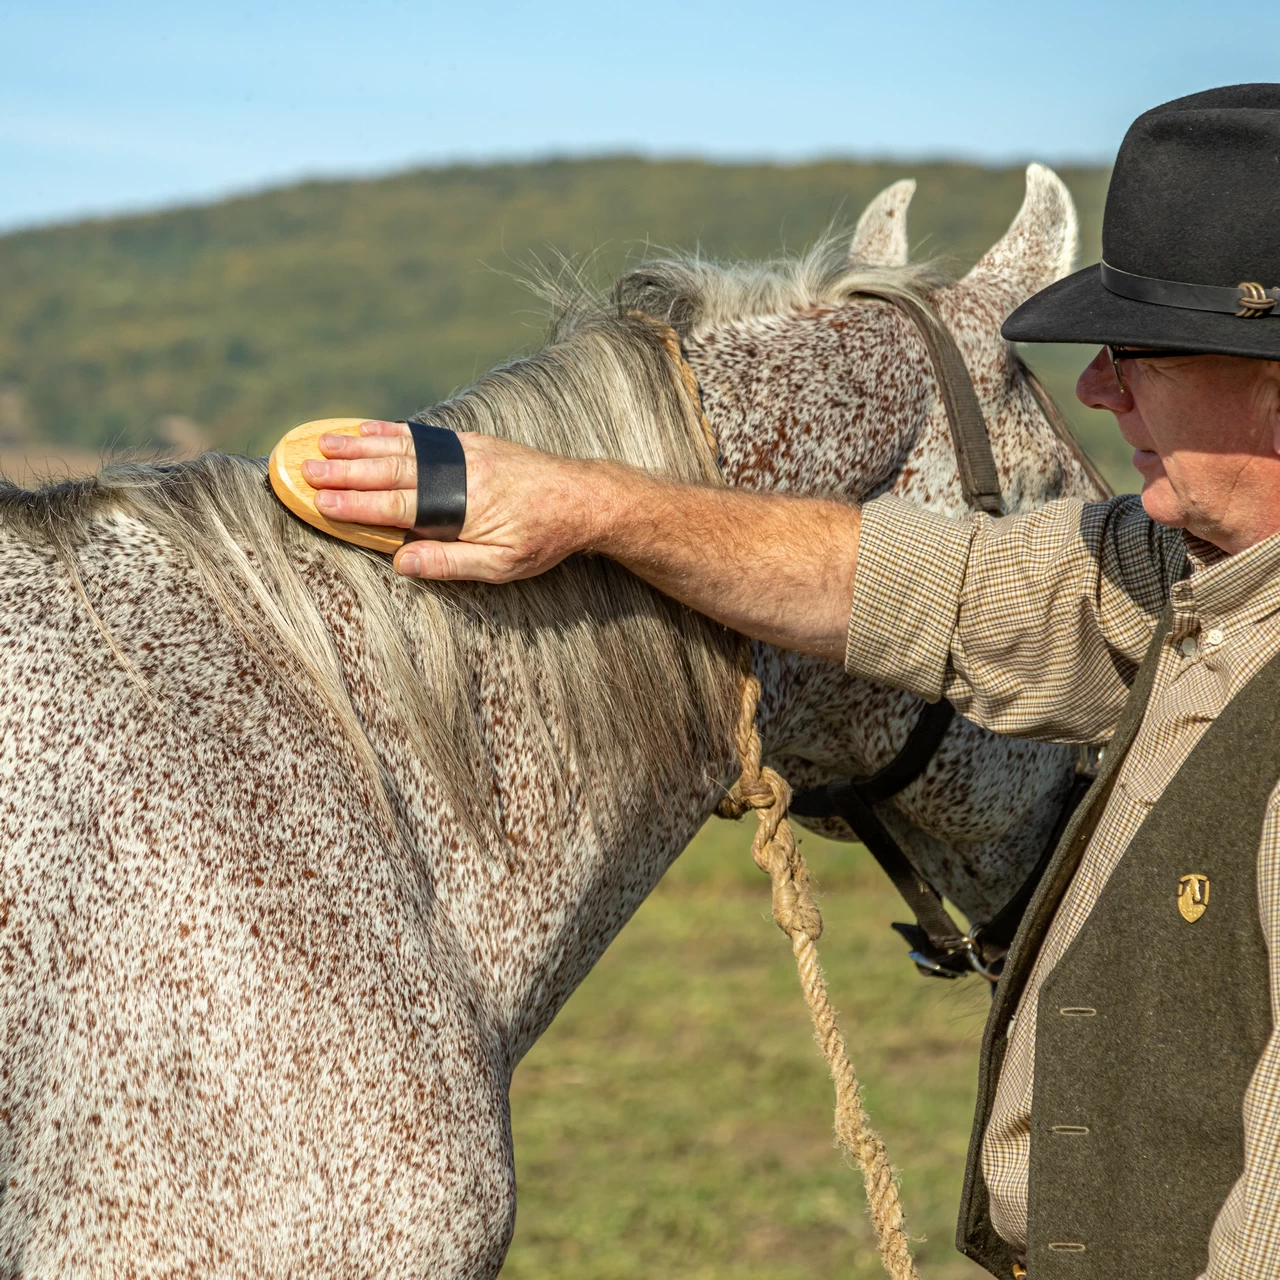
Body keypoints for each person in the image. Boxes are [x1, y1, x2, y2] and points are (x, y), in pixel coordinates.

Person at [302, 85, 1280, 1279]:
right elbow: (923, 581)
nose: (1095, 389)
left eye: (1134, 354)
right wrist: (589, 501)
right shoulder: (1191, 569)